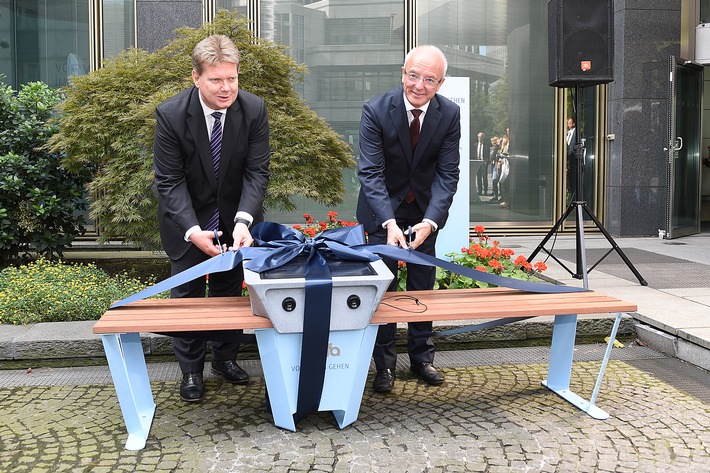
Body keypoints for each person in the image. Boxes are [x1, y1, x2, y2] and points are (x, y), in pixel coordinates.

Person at [153, 34, 271, 402]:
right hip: (186, 220)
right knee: (187, 297)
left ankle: (224, 359)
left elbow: (257, 172)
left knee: (228, 291)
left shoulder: (254, 110)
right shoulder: (171, 114)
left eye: (232, 79)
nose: (226, 88)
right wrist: (192, 231)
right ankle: (190, 371)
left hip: (236, 220)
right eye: (216, 80)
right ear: (196, 77)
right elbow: (169, 181)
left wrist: (243, 221)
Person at [356, 45, 461, 394]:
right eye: (413, 75)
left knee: (421, 287)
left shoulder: (448, 115)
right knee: (382, 289)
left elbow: (448, 175)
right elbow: (370, 173)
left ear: (440, 83)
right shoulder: (375, 110)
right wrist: (387, 223)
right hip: (379, 214)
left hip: (423, 215)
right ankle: (383, 366)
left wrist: (431, 222)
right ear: (403, 72)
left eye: (429, 79)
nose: (419, 85)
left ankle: (421, 359)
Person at [566, 117, 577, 200]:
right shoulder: (567, 133)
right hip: (568, 160)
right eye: (568, 123)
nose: (568, 125)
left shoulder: (576, 133)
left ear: (573, 123)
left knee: (573, 180)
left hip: (573, 160)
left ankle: (573, 198)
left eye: (570, 123)